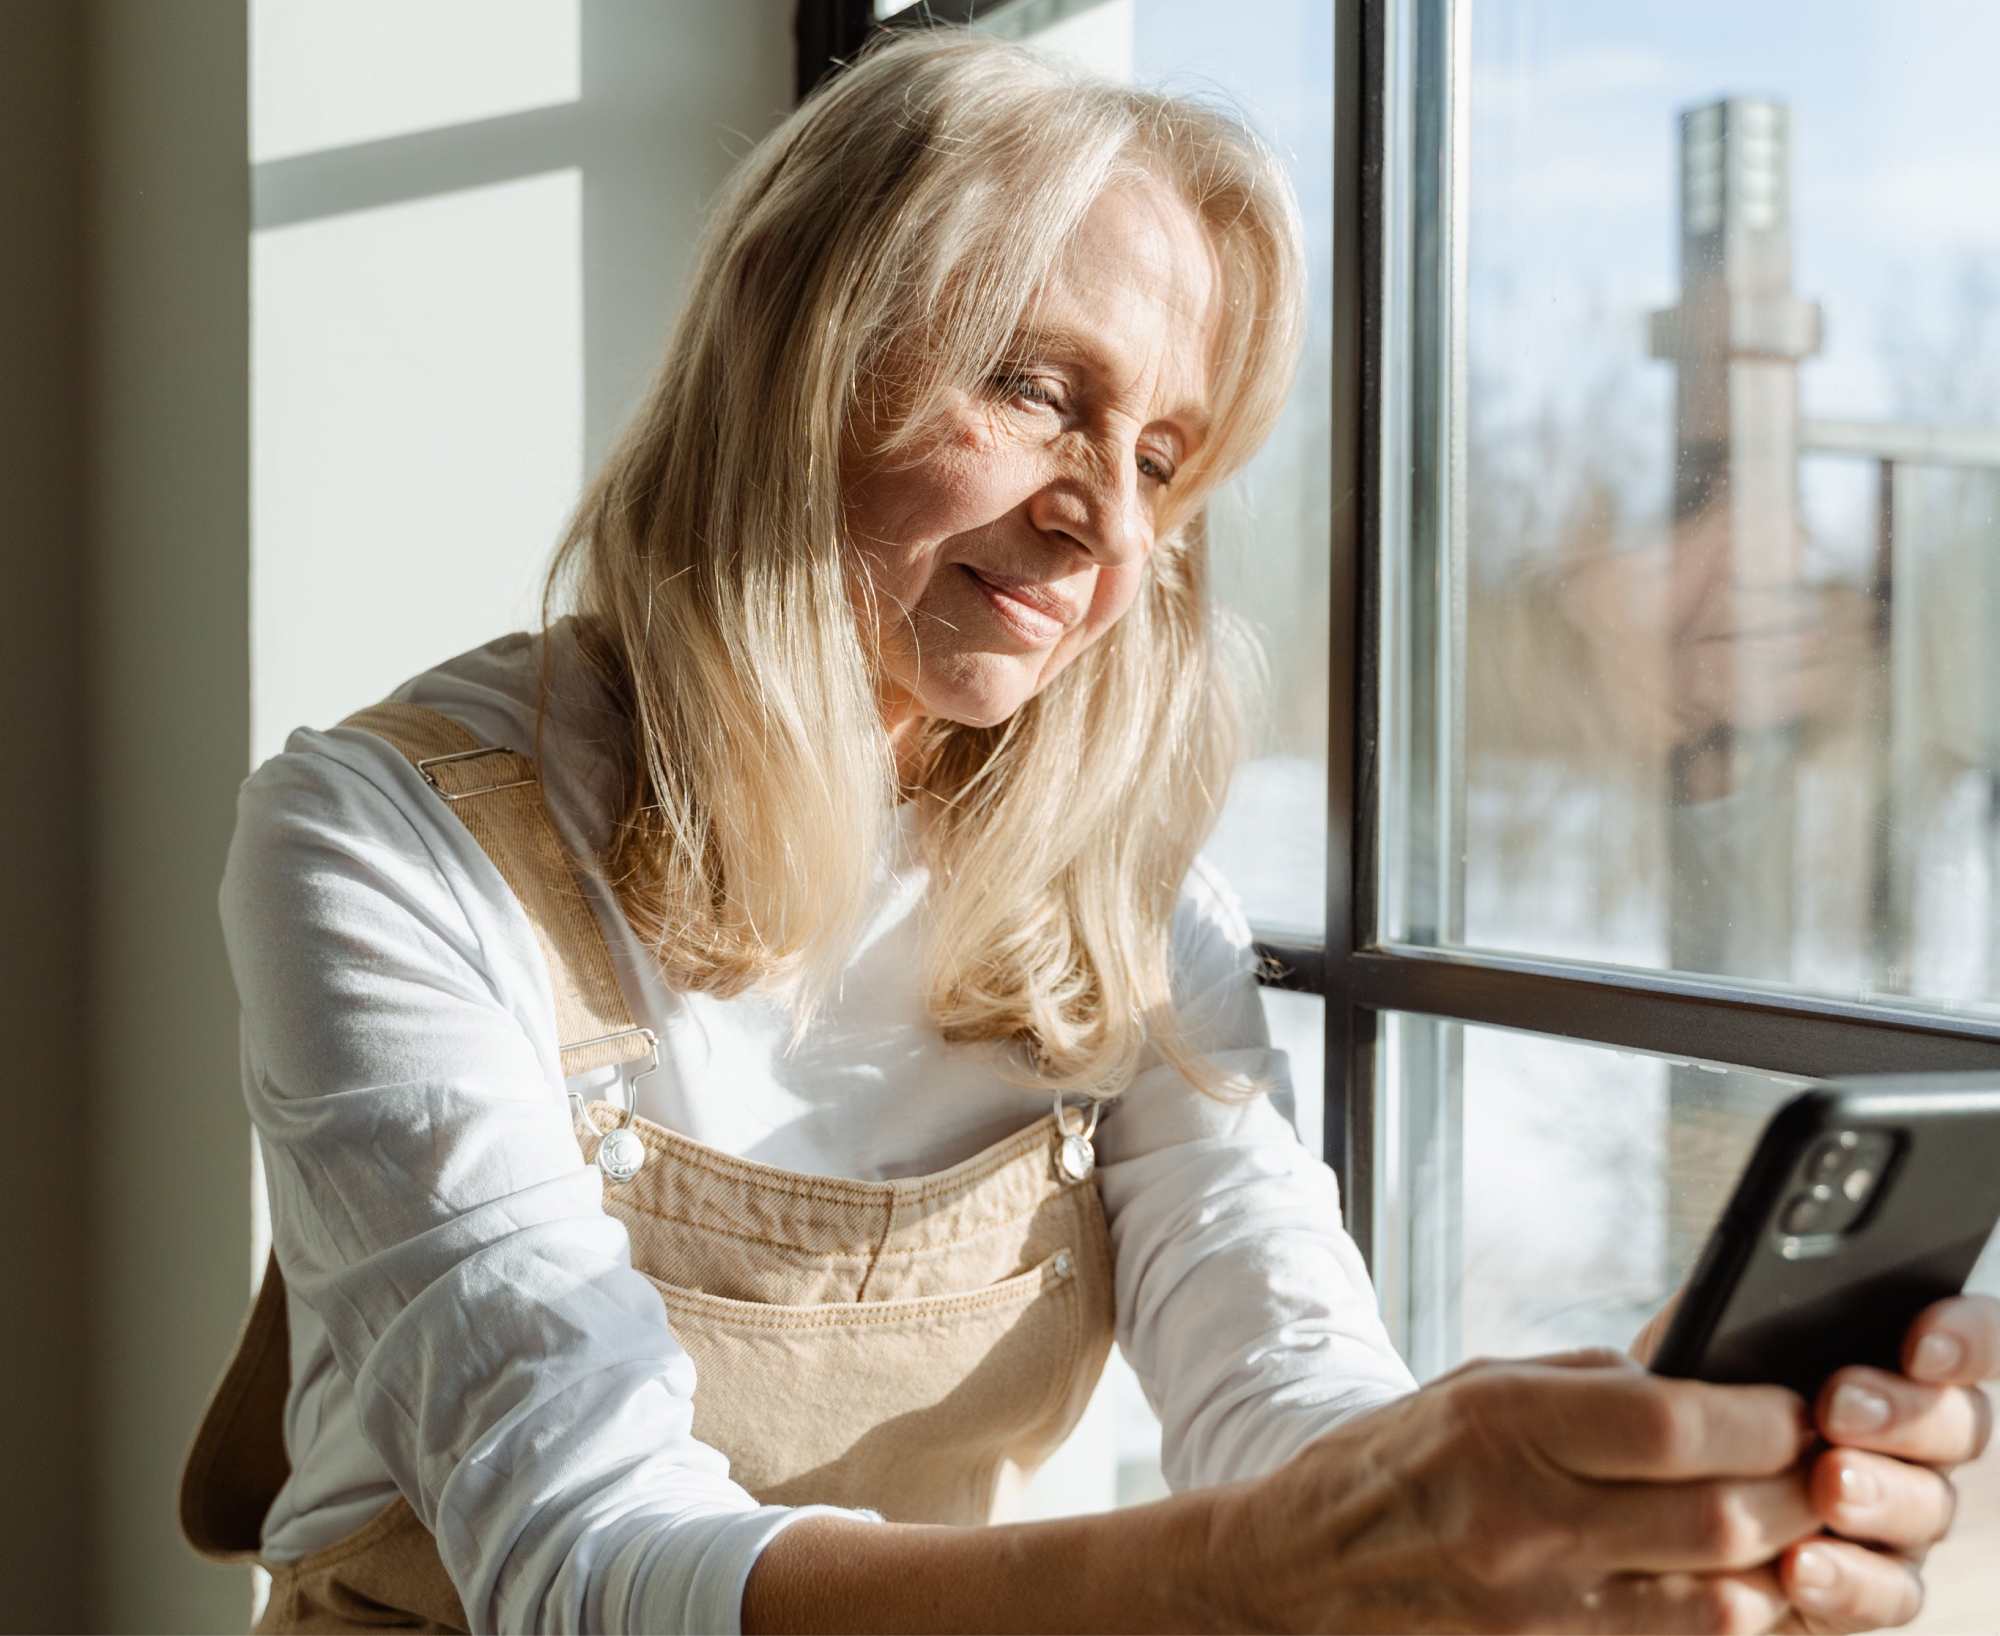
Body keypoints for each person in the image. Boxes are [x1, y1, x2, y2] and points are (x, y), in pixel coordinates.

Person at [189, 31, 1998, 1635]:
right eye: (1038, 391)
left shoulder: (1116, 893)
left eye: (1159, 459)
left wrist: (1572, 1494)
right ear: (788, 348)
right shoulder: (382, 841)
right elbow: (577, 1564)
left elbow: (1284, 1392)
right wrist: (1253, 1574)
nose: (1101, 532)